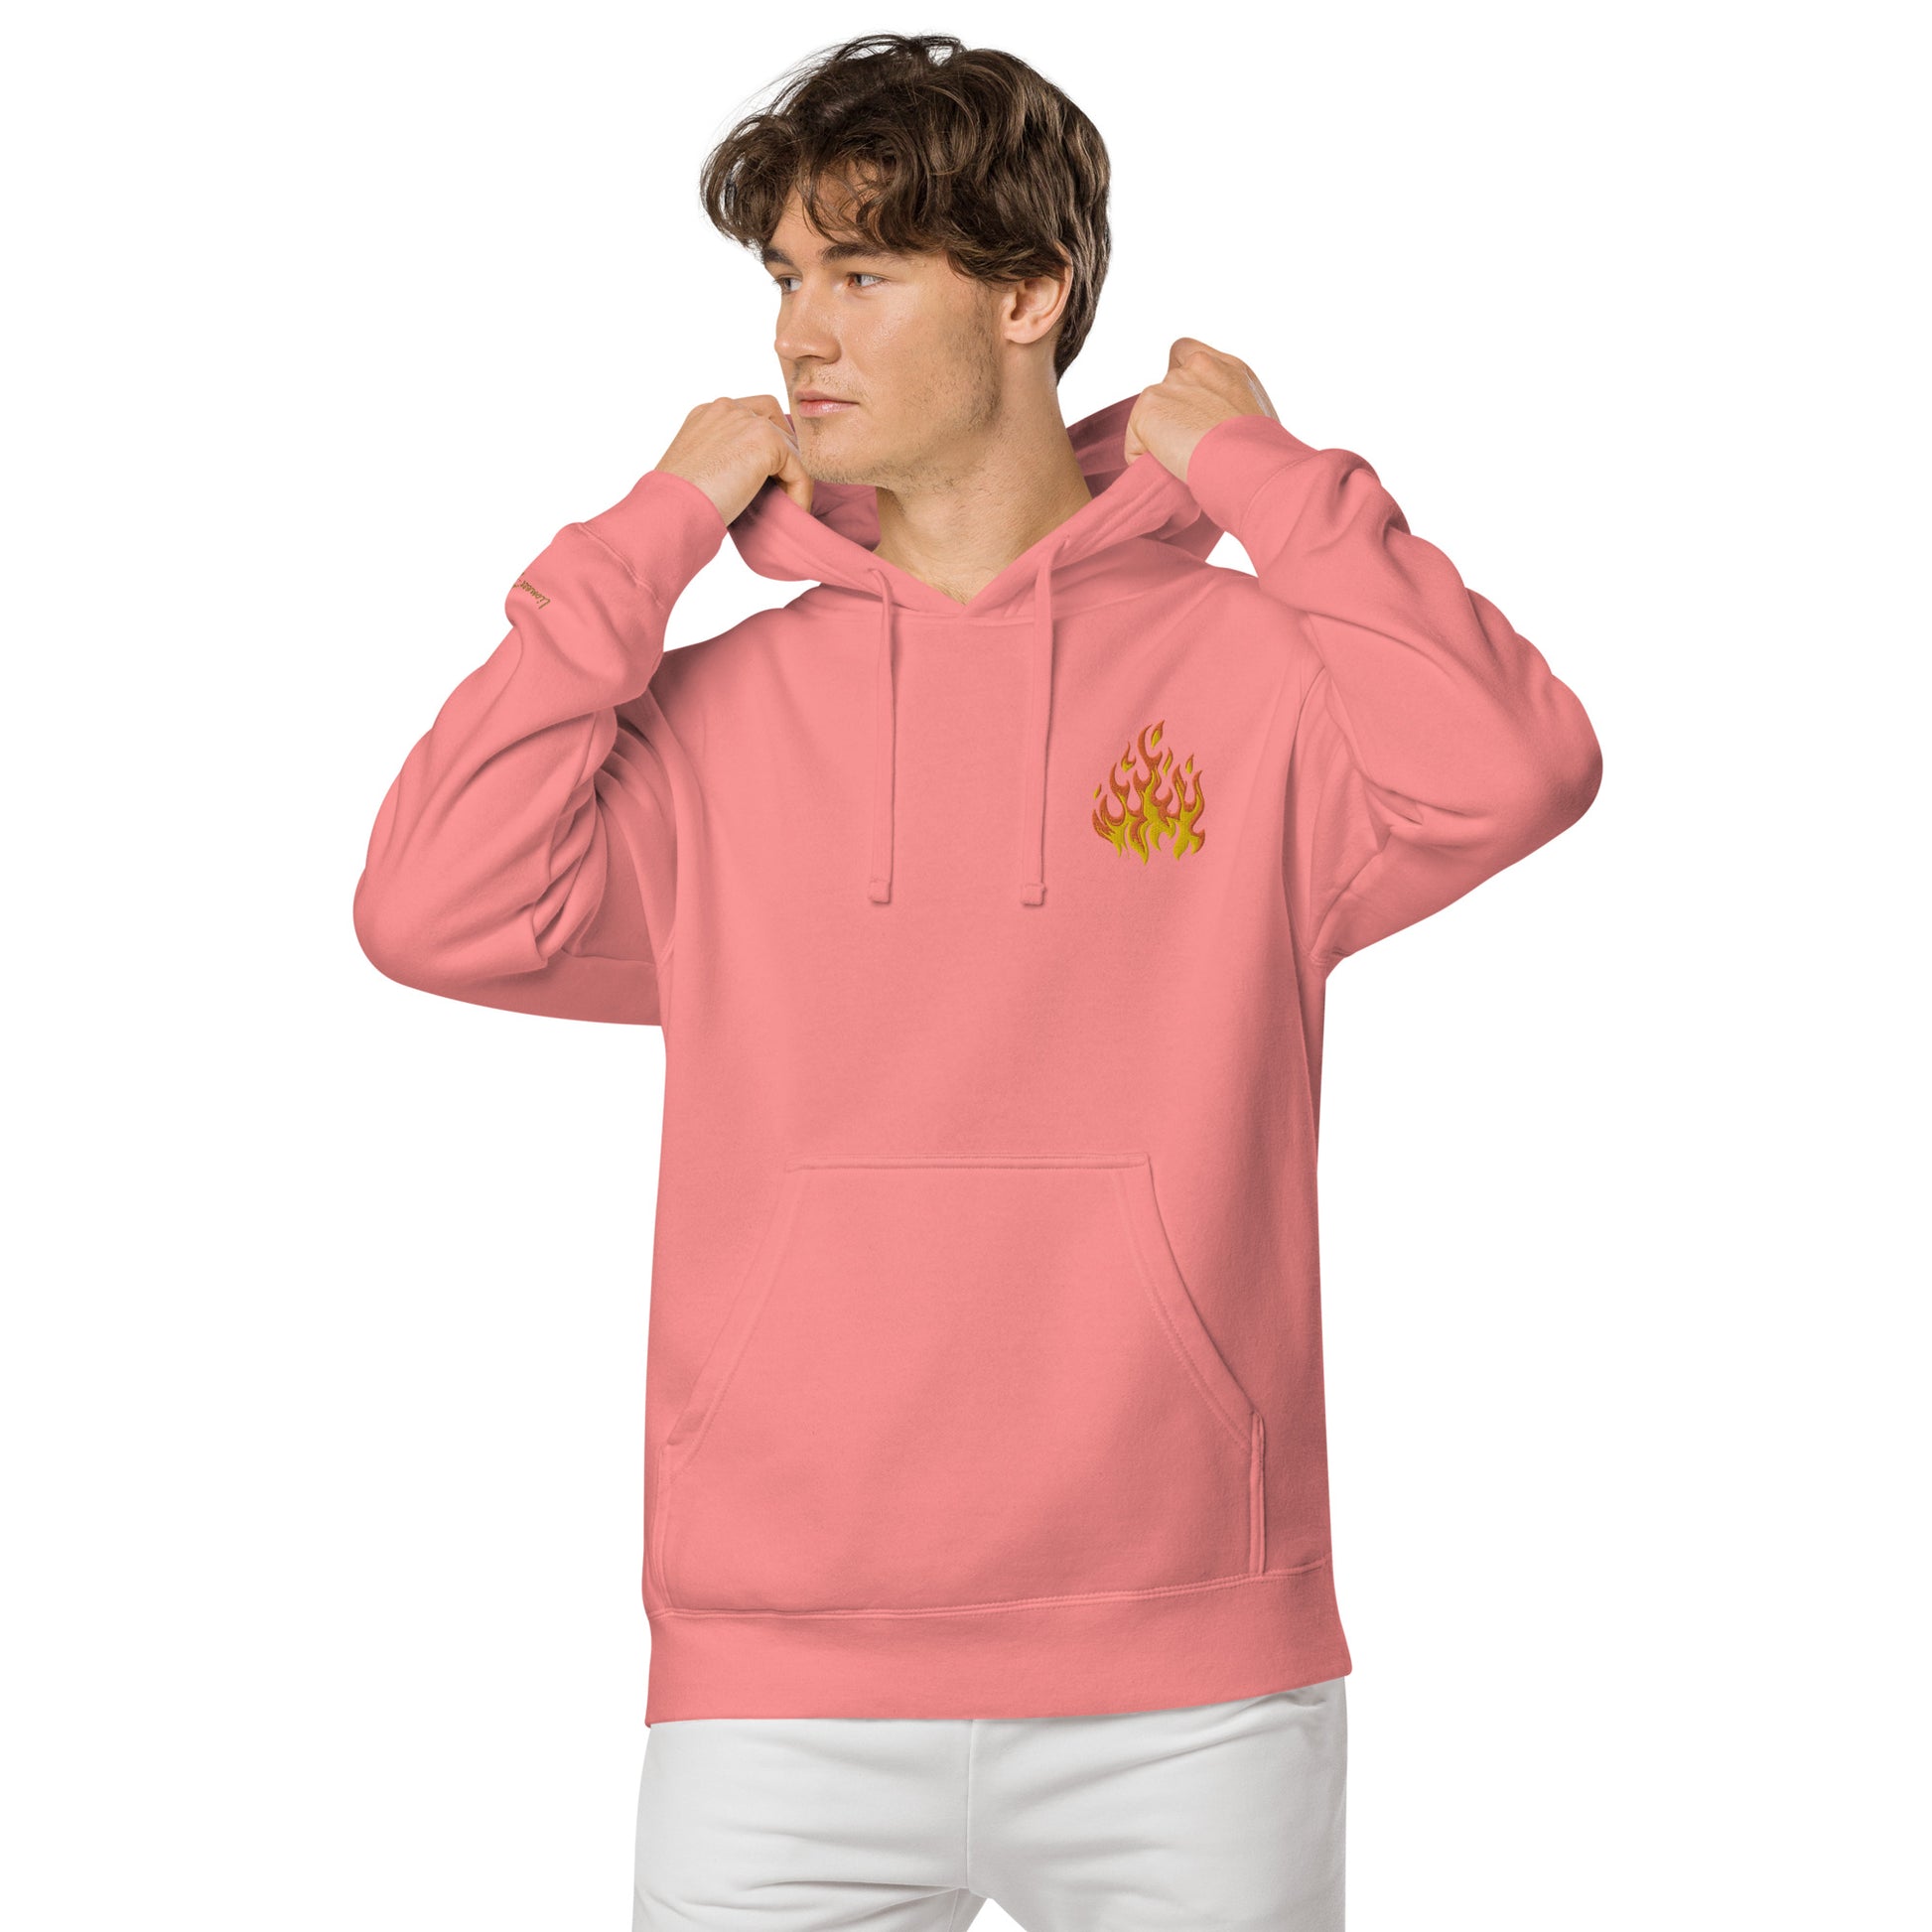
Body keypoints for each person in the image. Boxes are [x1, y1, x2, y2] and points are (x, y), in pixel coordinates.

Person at [352, 31, 1600, 1932]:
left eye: (861, 273)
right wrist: (652, 530)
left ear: (1029, 296)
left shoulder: (1258, 676)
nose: (800, 334)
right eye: (785, 278)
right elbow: (433, 904)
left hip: (1189, 1682)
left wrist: (1263, 474)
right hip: (774, 1685)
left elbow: (1513, 769)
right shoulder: (714, 716)